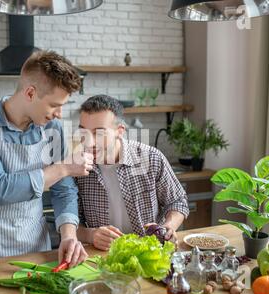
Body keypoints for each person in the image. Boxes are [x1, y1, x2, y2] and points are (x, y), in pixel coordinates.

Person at [0, 51, 92, 267]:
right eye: (54, 105)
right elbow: (1, 189)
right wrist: (64, 168)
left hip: (38, 248)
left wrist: (69, 235)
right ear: (30, 93)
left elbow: (63, 189)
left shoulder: (52, 128)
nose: (59, 114)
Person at [75, 95, 190, 251]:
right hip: (103, 257)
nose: (89, 142)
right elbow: (71, 222)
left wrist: (169, 226)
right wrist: (90, 235)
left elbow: (177, 201)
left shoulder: (151, 158)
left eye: (99, 133)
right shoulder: (76, 167)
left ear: (119, 131)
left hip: (150, 251)